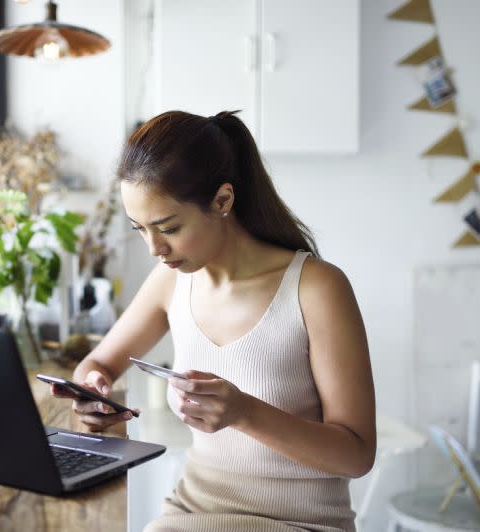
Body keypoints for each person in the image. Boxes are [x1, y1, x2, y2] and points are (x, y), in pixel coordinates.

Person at [49, 110, 375, 531]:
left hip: (301, 523)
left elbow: (357, 454)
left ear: (222, 200)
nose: (155, 249)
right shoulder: (171, 282)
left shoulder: (316, 288)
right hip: (193, 512)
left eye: (168, 227)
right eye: (140, 229)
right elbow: (98, 365)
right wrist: (94, 393)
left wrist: (244, 413)